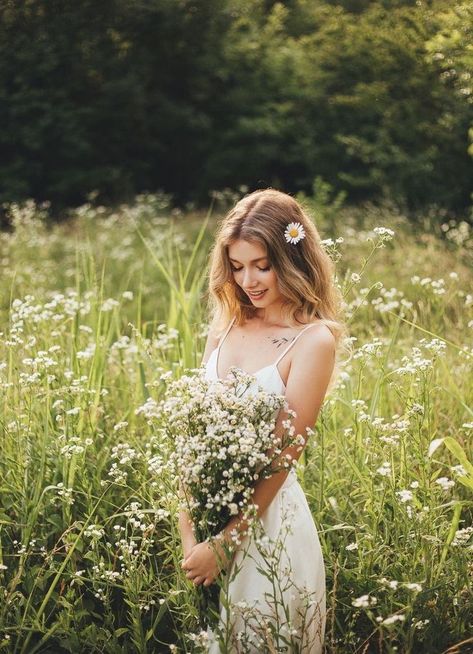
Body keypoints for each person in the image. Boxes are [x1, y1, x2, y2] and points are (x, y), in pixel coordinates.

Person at [179, 188, 345, 652]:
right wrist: (191, 532)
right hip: (205, 523)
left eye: (261, 265)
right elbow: (194, 434)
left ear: (291, 260)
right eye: (237, 266)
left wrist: (228, 543)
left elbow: (284, 453)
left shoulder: (313, 341)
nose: (248, 280)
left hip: (269, 529)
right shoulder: (225, 325)